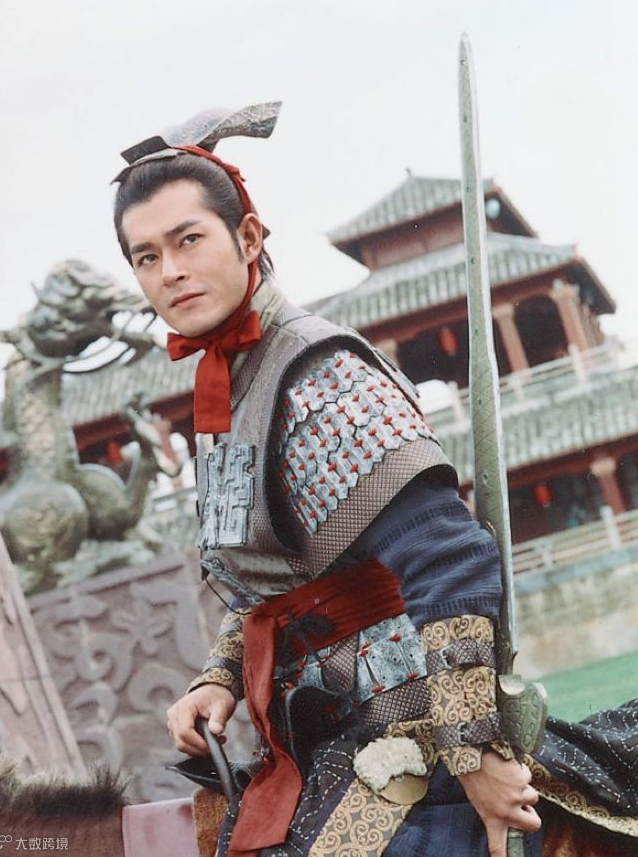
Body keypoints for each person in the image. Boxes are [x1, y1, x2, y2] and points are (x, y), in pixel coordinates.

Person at [112, 105, 637, 857]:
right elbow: (272, 584)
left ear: (248, 237)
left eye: (188, 239)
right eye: (146, 256)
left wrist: (476, 754)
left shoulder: (319, 375)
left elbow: (451, 560)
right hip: (318, 730)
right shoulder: (230, 387)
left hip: (412, 719)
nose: (170, 271)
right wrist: (217, 679)